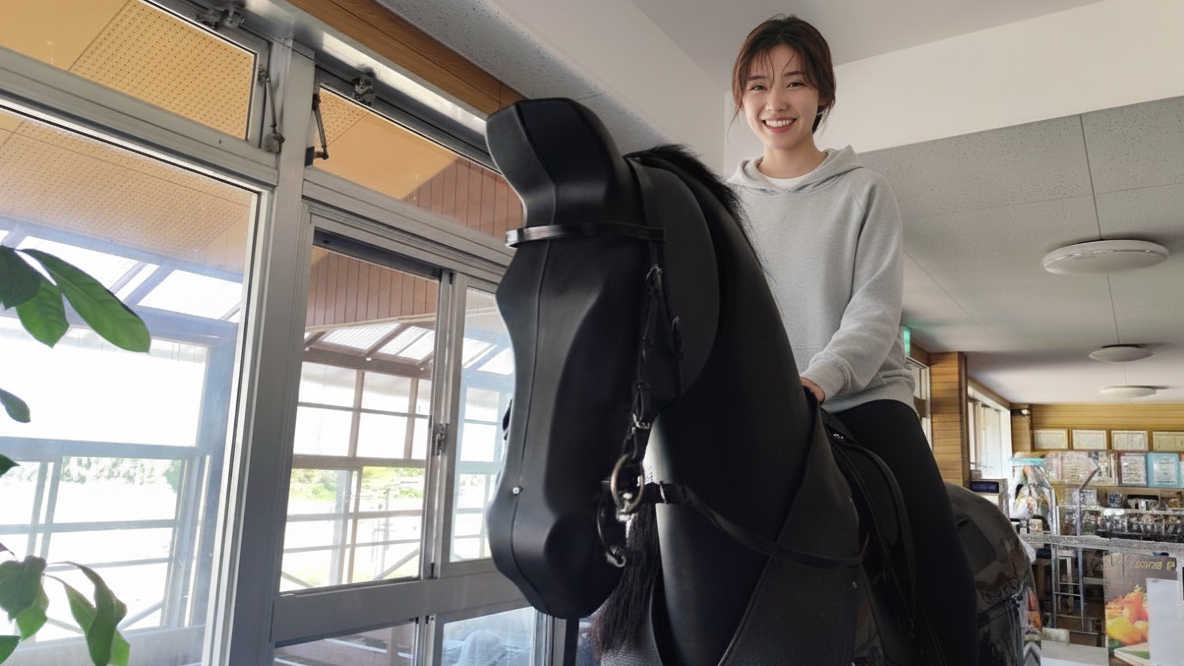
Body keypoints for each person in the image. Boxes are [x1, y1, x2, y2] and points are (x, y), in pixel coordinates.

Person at [726, 15, 979, 666]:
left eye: (794, 83)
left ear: (823, 95)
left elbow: (873, 313)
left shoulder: (866, 191)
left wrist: (817, 380)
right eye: (757, 86)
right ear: (742, 99)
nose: (775, 102)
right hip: (763, 412)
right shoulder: (723, 205)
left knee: (931, 544)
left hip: (859, 400)